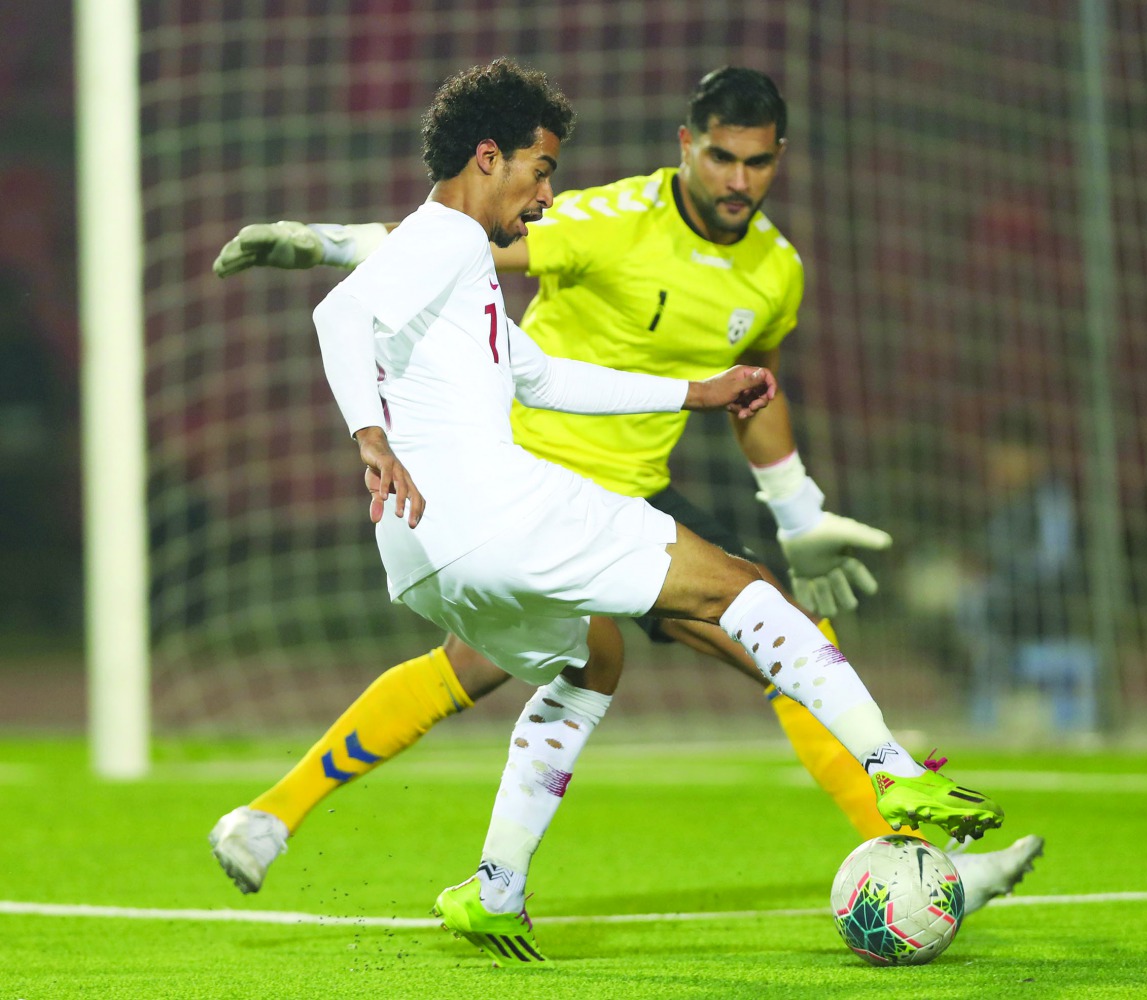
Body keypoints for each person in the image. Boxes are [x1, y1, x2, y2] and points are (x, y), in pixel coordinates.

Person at [207, 62, 1018, 965]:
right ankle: (896, 775)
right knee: (744, 592)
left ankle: (493, 889)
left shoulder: (471, 263)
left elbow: (540, 373)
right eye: (540, 170)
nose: (547, 195)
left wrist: (694, 393)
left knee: (592, 661)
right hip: (511, 507)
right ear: (489, 157)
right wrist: (369, 433)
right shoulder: (453, 237)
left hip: (425, 548)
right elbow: (341, 315)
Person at [960, 409, 1097, 730]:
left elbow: (1053, 564)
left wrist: (997, 572)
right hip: (1012, 607)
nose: (999, 465)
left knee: (976, 605)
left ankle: (1006, 702)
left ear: (1032, 458)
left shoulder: (1049, 498)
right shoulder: (1004, 505)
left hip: (1049, 608)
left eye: (1007, 456)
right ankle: (988, 702)